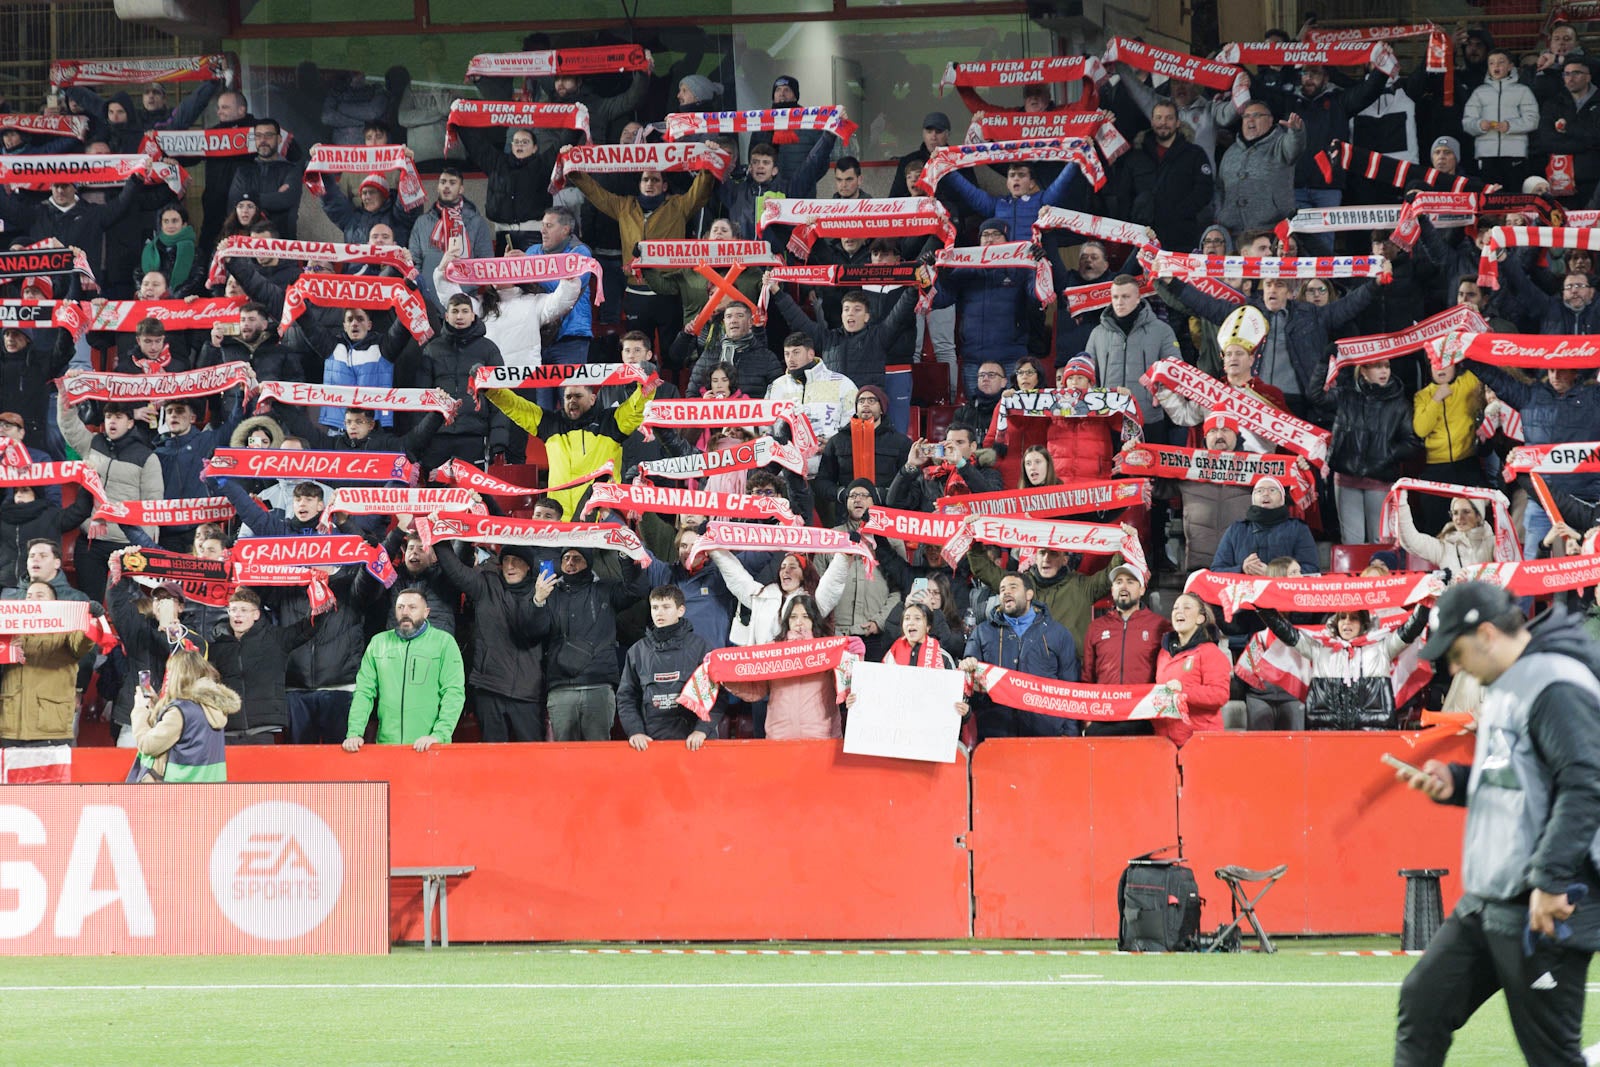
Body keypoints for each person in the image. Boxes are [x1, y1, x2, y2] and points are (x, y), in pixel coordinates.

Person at [1396, 581, 1600, 1067]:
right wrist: (1459, 782)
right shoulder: (1511, 681)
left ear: (1486, 633)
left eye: (1456, 651)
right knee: (1422, 1005)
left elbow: (1586, 784)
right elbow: (1520, 780)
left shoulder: (1555, 685)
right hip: (1490, 900)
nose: (1452, 666)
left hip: (1543, 905)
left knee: (1550, 1057)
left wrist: (1551, 881)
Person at [530, 546, 650, 741]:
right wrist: (537, 600)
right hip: (561, 687)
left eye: (576, 558)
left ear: (588, 562)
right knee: (564, 758)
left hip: (599, 686)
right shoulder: (549, 593)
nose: (570, 563)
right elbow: (534, 632)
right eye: (566, 558)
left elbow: (636, 589)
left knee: (599, 758)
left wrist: (625, 556)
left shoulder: (605, 589)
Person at [1258, 601, 1429, 730]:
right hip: (1326, 732)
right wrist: (1261, 605)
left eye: (1354, 618)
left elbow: (1411, 629)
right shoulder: (1320, 648)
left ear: (1363, 624)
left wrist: (1428, 602)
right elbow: (1285, 632)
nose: (1347, 623)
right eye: (1343, 618)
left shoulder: (1382, 648)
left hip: (1374, 732)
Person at [961, 571, 1081, 740]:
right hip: (995, 734)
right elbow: (968, 675)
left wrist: (1070, 733)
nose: (1006, 592)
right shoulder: (982, 632)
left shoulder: (1059, 633)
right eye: (1002, 589)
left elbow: (1070, 687)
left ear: (1029, 594)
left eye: (1013, 587)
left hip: (1045, 734)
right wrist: (967, 665)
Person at [343, 590, 465, 752]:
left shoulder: (444, 643)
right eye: (400, 607)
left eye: (412, 607)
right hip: (388, 746)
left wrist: (439, 735)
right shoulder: (378, 643)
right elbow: (364, 692)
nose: (405, 612)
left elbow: (453, 693)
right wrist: (354, 732)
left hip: (430, 746)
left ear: (426, 612)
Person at [723, 595, 855, 740]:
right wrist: (725, 675)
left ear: (814, 620)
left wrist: (855, 655)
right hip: (780, 735)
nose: (799, 623)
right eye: (793, 617)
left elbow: (846, 686)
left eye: (805, 616)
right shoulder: (773, 651)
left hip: (821, 735)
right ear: (787, 621)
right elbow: (757, 690)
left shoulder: (829, 649)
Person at [1329, 360, 1422, 544]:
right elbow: (1314, 395)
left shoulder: (1400, 403)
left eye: (1387, 366)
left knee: (1379, 542)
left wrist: (1385, 454)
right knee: (1351, 543)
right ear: (1363, 370)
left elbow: (1413, 443)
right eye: (1377, 366)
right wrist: (1326, 360)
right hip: (1347, 479)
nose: (1384, 371)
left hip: (1380, 479)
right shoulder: (1346, 396)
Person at [618, 585, 717, 750]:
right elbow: (626, 697)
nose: (659, 612)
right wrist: (635, 731)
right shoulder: (637, 651)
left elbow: (715, 695)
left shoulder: (701, 647)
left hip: (695, 742)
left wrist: (702, 730)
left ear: (681, 610)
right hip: (650, 743)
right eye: (655, 607)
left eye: (666, 607)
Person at [0, 582, 98, 746]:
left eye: (40, 596)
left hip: (51, 727)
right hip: (11, 726)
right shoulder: (9, 630)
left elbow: (82, 645)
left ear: (55, 603)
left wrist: (89, 621)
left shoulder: (67, 628)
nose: (33, 600)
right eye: (29, 596)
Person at [1081, 564, 1171, 737]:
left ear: (1142, 589)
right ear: (1112, 589)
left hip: (1143, 715)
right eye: (1118, 582)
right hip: (1103, 715)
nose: (1123, 586)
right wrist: (1087, 718)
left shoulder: (1160, 626)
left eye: (1130, 581)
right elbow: (1087, 676)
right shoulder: (1096, 627)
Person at [126, 649, 237, 783]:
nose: (167, 679)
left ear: (180, 676)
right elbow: (190, 736)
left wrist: (139, 710)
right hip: (210, 792)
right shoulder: (214, 707)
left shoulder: (180, 712)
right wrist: (157, 706)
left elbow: (148, 745)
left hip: (180, 792)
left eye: (170, 673)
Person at [813, 385, 911, 528]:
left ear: (882, 407)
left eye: (872, 400)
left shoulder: (901, 442)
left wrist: (884, 495)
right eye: (861, 401)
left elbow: (910, 485)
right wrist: (842, 494)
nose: (865, 404)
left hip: (888, 518)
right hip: (846, 518)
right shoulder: (837, 441)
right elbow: (822, 482)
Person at [1153, 593, 1230, 747]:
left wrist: (1184, 691)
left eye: (1187, 607)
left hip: (1199, 741)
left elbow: (1220, 694)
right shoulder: (1164, 653)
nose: (1178, 611)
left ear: (1200, 618)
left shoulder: (1210, 652)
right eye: (1175, 608)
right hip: (1166, 743)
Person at [1215, 100, 1304, 234]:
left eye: (1256, 115)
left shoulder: (1281, 144)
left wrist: (1296, 132)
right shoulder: (1231, 151)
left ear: (1270, 120)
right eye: (1246, 116)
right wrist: (1220, 213)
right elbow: (1219, 187)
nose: (1250, 120)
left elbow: (1294, 146)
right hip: (1233, 231)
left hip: (1270, 230)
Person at [1212, 477, 1321, 576]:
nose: (1265, 494)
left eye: (1272, 490)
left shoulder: (1298, 529)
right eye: (1259, 491)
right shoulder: (1236, 530)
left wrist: (1273, 574)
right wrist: (1242, 569)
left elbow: (1311, 569)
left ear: (1282, 499)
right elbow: (1217, 570)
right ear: (1253, 499)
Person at [1463, 50, 1539, 189]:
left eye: (1501, 62)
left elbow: (1532, 119)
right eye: (1491, 63)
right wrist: (1479, 125)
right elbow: (1467, 122)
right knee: (1489, 197)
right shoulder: (1479, 92)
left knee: (1514, 195)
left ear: (1510, 66)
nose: (1496, 66)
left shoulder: (1523, 90)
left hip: (1515, 153)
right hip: (1486, 154)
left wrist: (1510, 126)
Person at [1396, 494, 1497, 569]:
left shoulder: (1494, 543)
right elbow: (1411, 540)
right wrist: (1401, 504)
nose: (1459, 518)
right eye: (1455, 513)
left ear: (1479, 516)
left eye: (1466, 512)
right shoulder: (1445, 547)